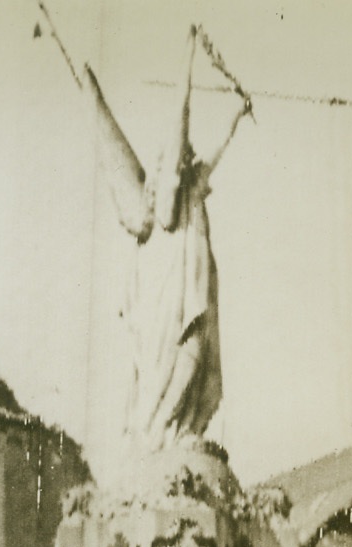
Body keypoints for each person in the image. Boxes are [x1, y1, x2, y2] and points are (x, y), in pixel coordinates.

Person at [78, 25, 252, 451]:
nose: (177, 167)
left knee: (209, 381)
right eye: (164, 174)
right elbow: (180, 114)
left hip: (191, 299)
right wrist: (188, 59)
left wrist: (235, 117)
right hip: (166, 310)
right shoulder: (165, 214)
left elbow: (212, 156)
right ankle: (160, 436)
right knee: (178, 365)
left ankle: (175, 434)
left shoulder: (191, 188)